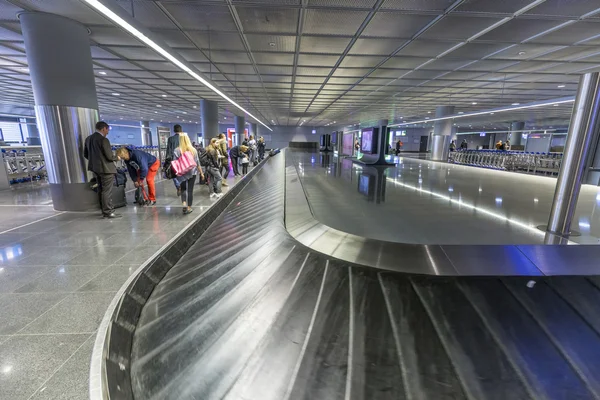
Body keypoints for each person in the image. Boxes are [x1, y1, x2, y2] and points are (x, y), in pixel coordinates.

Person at [84, 121, 121, 219]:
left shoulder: (88, 139)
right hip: (106, 169)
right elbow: (109, 156)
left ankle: (104, 210)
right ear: (104, 128)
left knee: (101, 189)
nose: (107, 132)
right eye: (107, 130)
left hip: (95, 168)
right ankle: (108, 212)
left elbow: (86, 154)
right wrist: (117, 158)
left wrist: (96, 162)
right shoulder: (104, 140)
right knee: (107, 191)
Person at [173, 133, 204, 214]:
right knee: (190, 190)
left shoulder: (177, 150)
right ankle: (189, 207)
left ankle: (184, 203)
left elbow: (175, 162)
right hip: (192, 172)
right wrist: (201, 173)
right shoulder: (193, 150)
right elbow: (197, 163)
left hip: (182, 172)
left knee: (183, 189)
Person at [166, 124, 183, 195]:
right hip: (183, 159)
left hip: (173, 159)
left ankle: (178, 186)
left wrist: (167, 161)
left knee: (174, 174)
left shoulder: (170, 139)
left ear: (174, 130)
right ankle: (182, 185)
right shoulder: (183, 138)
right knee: (182, 173)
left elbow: (168, 150)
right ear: (181, 130)